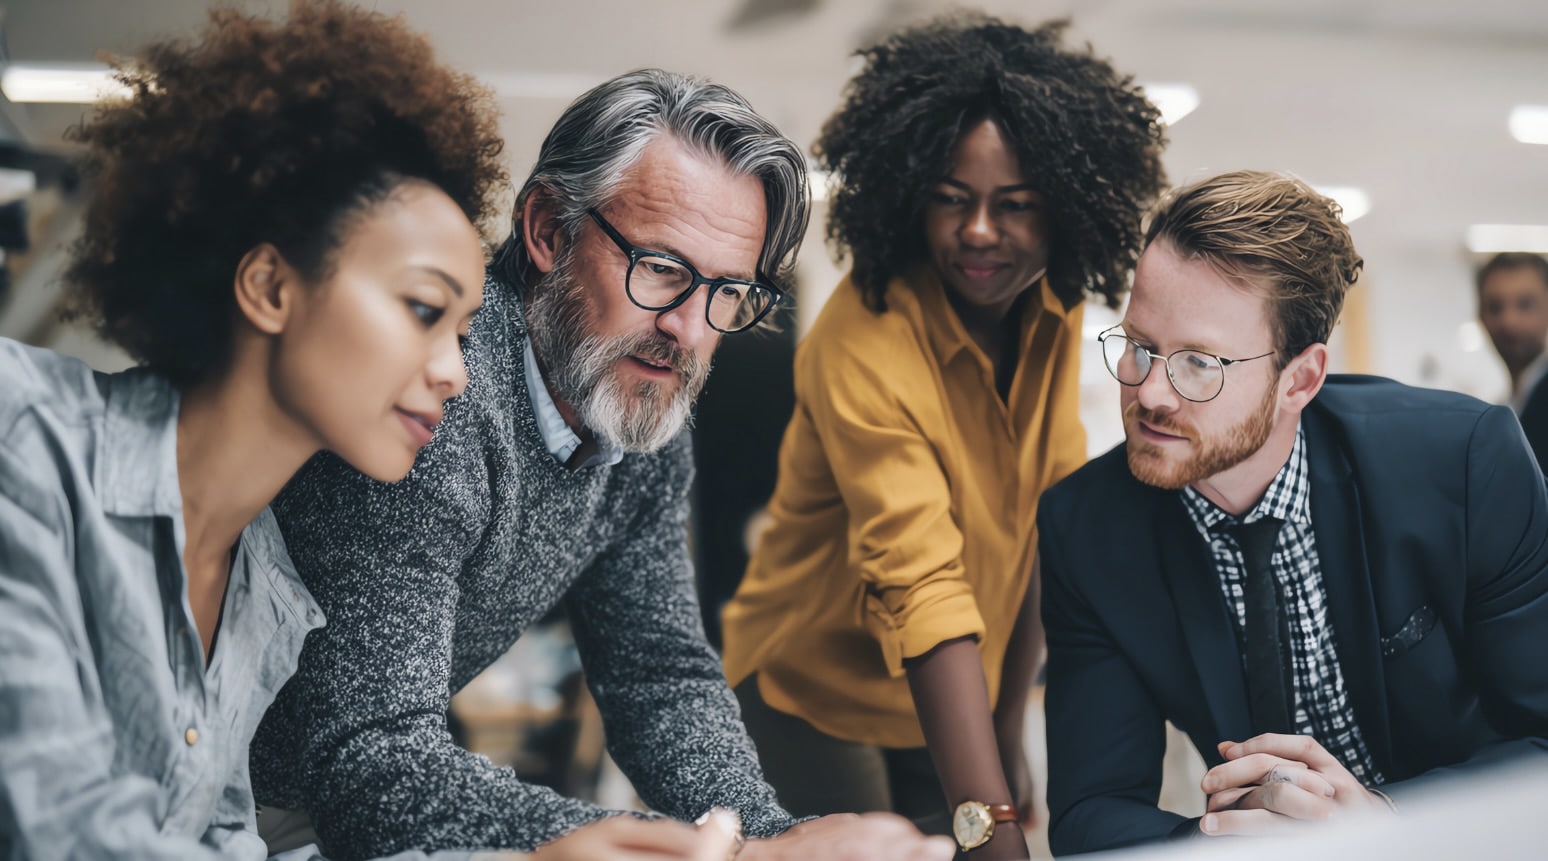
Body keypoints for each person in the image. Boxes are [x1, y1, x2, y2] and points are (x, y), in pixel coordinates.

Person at [248, 67, 954, 861]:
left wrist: (765, 832)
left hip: (348, 794)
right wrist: (723, 853)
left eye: (728, 291)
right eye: (661, 269)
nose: (689, 329)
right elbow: (370, 759)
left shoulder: (638, 415)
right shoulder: (434, 397)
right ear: (549, 229)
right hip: (233, 791)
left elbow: (658, 673)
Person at [0, 1, 502, 856]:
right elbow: (72, 831)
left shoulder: (267, 595)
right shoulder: (27, 443)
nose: (455, 372)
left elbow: (220, 843)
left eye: (462, 331)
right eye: (423, 309)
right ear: (270, 285)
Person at [718, 14, 1166, 860]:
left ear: (1063, 207)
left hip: (947, 685)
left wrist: (1004, 733)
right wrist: (991, 820)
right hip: (805, 685)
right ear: (912, 190)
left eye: (1016, 205)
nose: (981, 232)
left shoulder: (1051, 305)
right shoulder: (862, 344)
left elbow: (1047, 519)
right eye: (953, 199)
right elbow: (921, 580)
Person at [1037, 170, 1548, 855]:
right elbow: (1091, 811)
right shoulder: (1088, 526)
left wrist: (1386, 820)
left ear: (1300, 378)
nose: (1149, 391)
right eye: (1139, 345)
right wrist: (1242, 842)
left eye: (1199, 363)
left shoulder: (1462, 462)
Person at [1476, 252, 1548, 470]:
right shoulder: (1507, 406)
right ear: (1480, 315)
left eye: (1525, 304)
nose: (1509, 321)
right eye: (1495, 307)